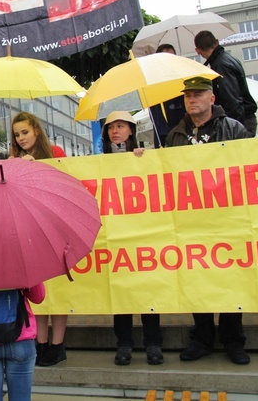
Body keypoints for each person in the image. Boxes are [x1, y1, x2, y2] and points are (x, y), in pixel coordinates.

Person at [164, 77, 252, 365]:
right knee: (196, 278)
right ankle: (201, 338)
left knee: (229, 278)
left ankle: (233, 340)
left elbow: (252, 164)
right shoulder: (175, 135)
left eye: (198, 94)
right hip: (191, 221)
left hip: (227, 218)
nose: (192, 99)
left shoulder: (234, 129)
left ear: (212, 98)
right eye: (188, 95)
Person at [101, 111, 164, 366]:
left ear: (131, 130)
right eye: (110, 128)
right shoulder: (100, 162)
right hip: (117, 235)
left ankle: (153, 344)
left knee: (149, 291)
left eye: (120, 126)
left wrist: (142, 161)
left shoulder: (145, 156)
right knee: (122, 293)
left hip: (144, 235)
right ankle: (124, 343)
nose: (115, 131)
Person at [10, 111, 68, 366]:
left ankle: (59, 345)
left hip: (56, 229)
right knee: (39, 289)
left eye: (25, 132)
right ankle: (41, 343)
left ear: (36, 130)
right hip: (30, 232)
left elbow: (67, 183)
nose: (21, 138)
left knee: (60, 292)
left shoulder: (56, 153)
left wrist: (39, 167)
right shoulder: (14, 159)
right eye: (17, 135)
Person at [194, 30, 258, 136]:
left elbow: (231, 100)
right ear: (217, 42)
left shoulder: (220, 66)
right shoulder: (229, 59)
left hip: (238, 122)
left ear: (197, 50)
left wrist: (230, 127)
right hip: (245, 119)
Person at [149, 44, 186, 147]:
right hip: (166, 140)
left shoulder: (183, 80)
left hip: (185, 135)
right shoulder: (153, 84)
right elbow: (157, 119)